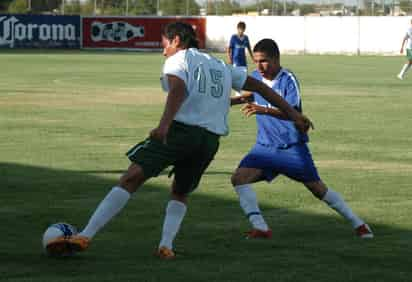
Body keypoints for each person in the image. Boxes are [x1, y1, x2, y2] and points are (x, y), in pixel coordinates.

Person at [46, 23, 313, 259]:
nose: (163, 50)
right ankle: (165, 245)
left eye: (164, 43)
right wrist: (294, 114)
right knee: (180, 191)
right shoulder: (219, 65)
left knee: (131, 177)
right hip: (209, 141)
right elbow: (262, 88)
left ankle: (85, 235)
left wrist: (163, 126)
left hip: (181, 132)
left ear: (176, 41)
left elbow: (178, 89)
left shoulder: (179, 60)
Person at [230, 38, 373, 239]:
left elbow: (294, 111)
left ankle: (358, 224)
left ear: (276, 58)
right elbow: (250, 96)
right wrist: (227, 102)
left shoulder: (288, 79)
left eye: (264, 61)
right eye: (256, 61)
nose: (259, 66)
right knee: (239, 178)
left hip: (291, 147)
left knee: (317, 188)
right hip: (264, 147)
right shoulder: (255, 76)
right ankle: (260, 227)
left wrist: (263, 109)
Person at [227, 22, 253, 96]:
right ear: (237, 29)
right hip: (236, 61)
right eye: (240, 29)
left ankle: (240, 92)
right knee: (235, 76)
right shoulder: (234, 37)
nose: (241, 31)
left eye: (243, 29)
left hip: (243, 61)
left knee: (244, 76)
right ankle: (233, 92)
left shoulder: (246, 38)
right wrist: (230, 58)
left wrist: (253, 58)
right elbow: (229, 49)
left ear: (244, 29)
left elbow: (249, 48)